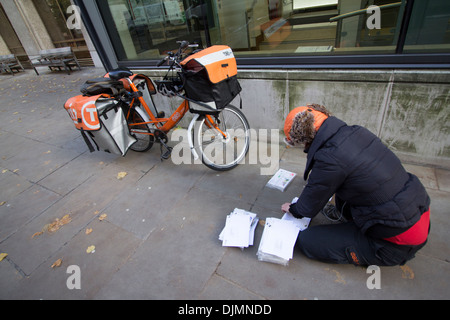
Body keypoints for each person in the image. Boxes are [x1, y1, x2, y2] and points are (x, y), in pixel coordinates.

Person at [281, 104, 430, 266]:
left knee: (306, 240)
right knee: (343, 192)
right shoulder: (357, 131)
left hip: (396, 243)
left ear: (304, 137)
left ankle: (370, 249)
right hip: (417, 212)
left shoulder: (329, 157)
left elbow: (307, 207)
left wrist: (293, 208)